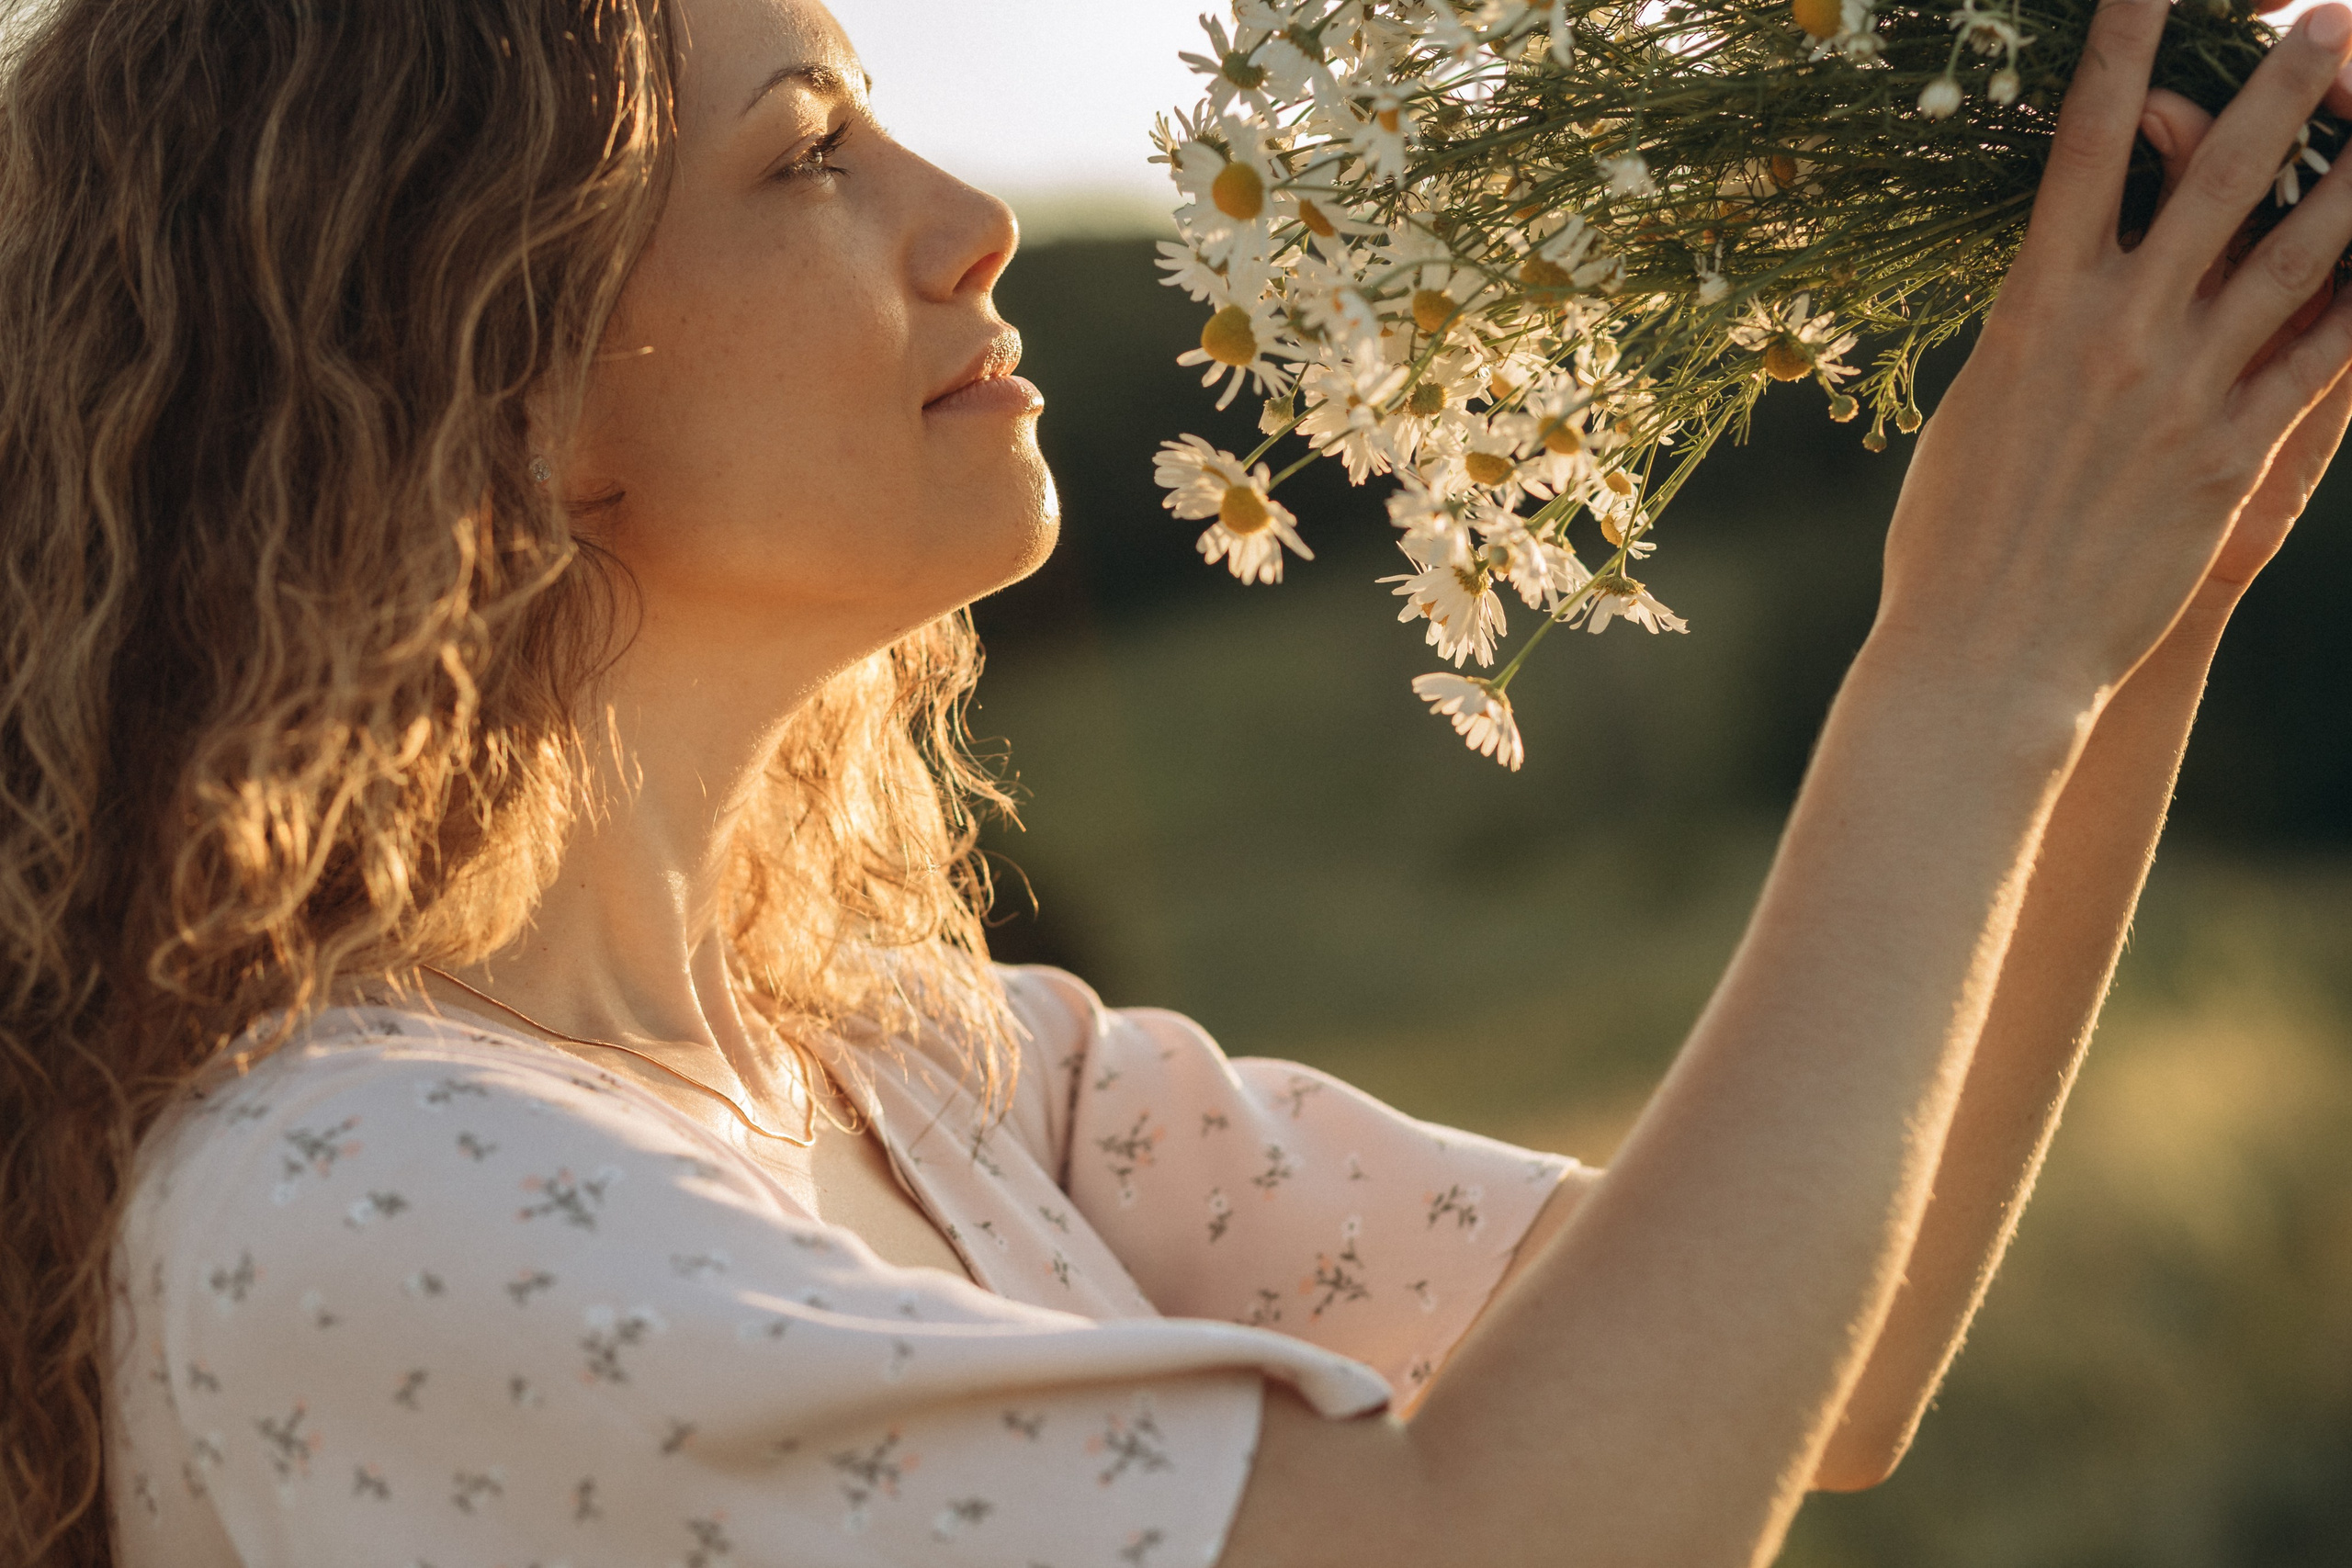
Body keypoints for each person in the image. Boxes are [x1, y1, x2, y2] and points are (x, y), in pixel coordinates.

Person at [3, 0, 2347, 1561]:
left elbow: (1812, 1345)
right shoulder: (361, 1188)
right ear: (492, 372)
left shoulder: (929, 1075)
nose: (970, 216)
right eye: (808, 155)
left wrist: (2132, 598)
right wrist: (1970, 661)